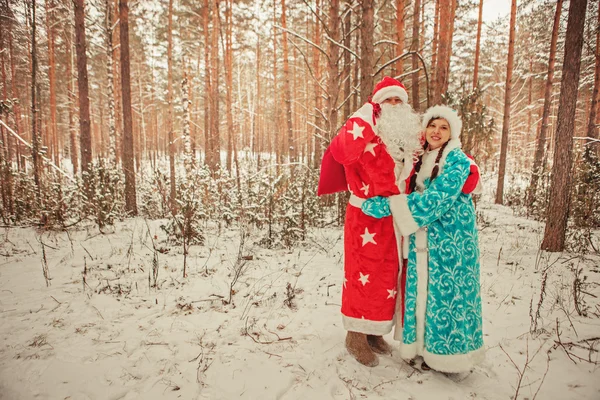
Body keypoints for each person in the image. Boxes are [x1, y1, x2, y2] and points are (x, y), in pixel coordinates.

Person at [317, 76, 422, 367]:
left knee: (387, 276)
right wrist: (362, 116)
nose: (394, 104)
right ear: (376, 105)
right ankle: (355, 334)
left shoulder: (406, 135)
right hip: (365, 215)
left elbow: (439, 143)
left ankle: (375, 332)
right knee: (364, 272)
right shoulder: (363, 129)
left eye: (398, 100)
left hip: (394, 217)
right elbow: (342, 152)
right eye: (388, 99)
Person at [371, 105, 485, 373]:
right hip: (424, 239)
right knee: (423, 293)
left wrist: (388, 205)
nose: (436, 131)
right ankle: (422, 349)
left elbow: (438, 198)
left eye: (443, 127)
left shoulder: (457, 160)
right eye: (432, 125)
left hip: (451, 242)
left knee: (447, 297)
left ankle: (450, 356)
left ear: (451, 133)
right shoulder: (422, 158)